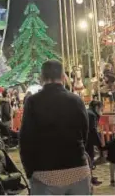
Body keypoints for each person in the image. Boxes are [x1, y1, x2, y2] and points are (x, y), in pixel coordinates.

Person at [19, 60, 91, 195]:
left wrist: (29, 170)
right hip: (77, 169)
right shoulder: (76, 100)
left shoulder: (33, 102)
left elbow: (26, 139)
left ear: (41, 78)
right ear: (63, 77)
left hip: (45, 172)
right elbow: (85, 133)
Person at [86, 100, 104, 186]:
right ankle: (89, 179)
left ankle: (90, 177)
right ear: (97, 107)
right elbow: (93, 131)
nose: (102, 111)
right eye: (101, 109)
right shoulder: (92, 115)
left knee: (89, 159)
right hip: (88, 141)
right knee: (90, 159)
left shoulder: (89, 112)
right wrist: (100, 144)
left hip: (86, 140)